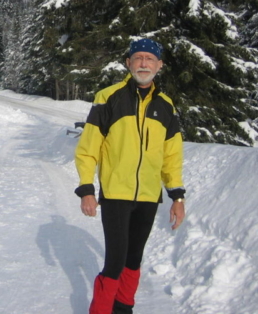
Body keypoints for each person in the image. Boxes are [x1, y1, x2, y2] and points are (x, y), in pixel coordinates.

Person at [74, 38, 186, 314]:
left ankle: (123, 310)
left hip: (148, 195)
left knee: (134, 260)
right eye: (138, 58)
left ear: (159, 66)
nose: (144, 63)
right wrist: (87, 188)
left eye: (150, 59)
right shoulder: (108, 97)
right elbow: (89, 147)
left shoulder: (167, 106)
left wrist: (177, 195)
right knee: (115, 261)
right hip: (115, 194)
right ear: (128, 63)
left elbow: (172, 156)